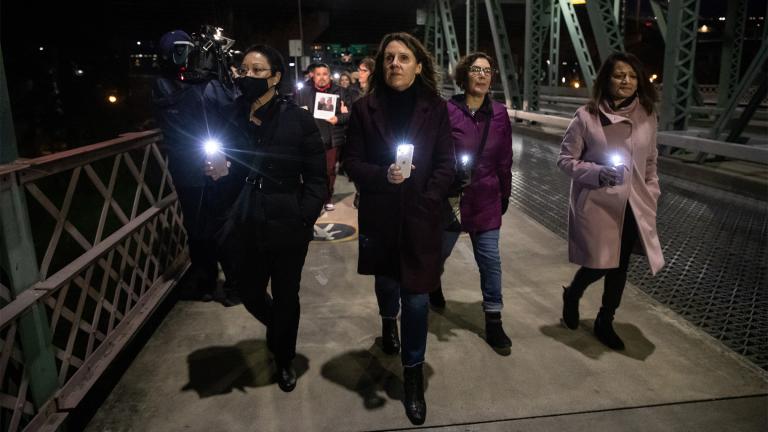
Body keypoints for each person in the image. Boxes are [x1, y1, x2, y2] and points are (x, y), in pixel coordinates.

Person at [343, 32, 455, 425]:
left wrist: (430, 199)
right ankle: (387, 322)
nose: (394, 64)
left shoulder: (436, 109)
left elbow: (446, 162)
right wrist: (380, 177)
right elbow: (351, 161)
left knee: (419, 297)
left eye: (403, 57)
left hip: (422, 216)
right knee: (387, 281)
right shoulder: (363, 109)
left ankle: (412, 375)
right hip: (381, 213)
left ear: (418, 65)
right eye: (388, 57)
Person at [226, 44, 327, 391]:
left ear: (276, 77)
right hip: (245, 221)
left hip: (288, 221)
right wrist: (216, 171)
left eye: (257, 71)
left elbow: (317, 178)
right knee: (248, 290)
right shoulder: (231, 114)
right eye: (243, 70)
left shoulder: (297, 119)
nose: (248, 76)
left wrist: (304, 215)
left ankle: (284, 358)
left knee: (287, 294)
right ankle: (279, 329)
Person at [558, 52, 664, 350]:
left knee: (620, 266)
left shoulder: (647, 115)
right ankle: (573, 293)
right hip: (598, 203)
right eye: (619, 75)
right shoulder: (586, 116)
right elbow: (565, 160)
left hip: (634, 204)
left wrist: (652, 190)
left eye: (631, 76)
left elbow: (651, 162)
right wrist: (598, 173)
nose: (626, 81)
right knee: (599, 263)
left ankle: (606, 320)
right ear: (607, 79)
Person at [151, 29, 241, 306]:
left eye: (188, 49)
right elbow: (177, 112)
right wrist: (205, 78)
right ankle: (205, 281)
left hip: (216, 162)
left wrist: (222, 73)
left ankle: (235, 284)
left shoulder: (210, 82)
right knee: (198, 228)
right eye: (179, 50)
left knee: (224, 226)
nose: (186, 56)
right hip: (189, 169)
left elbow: (233, 106)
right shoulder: (164, 84)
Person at [433, 52, 513, 350]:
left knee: (490, 261)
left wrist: (505, 193)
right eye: (476, 70)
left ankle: (494, 320)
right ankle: (433, 283)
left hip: (486, 197)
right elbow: (435, 152)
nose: (482, 75)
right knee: (438, 254)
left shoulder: (500, 113)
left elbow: (505, 158)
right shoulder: (447, 110)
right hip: (452, 197)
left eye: (487, 70)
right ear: (464, 74)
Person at [295, 63, 348, 212]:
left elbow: (349, 114)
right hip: (311, 138)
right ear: (313, 76)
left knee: (329, 171)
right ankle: (312, 199)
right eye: (318, 74)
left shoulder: (341, 92)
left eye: (325, 74)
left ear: (329, 75)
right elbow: (296, 111)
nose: (322, 77)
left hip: (331, 138)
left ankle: (327, 198)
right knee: (310, 171)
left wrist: (338, 118)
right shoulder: (304, 92)